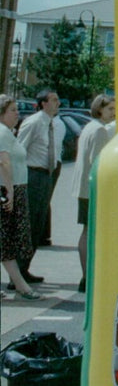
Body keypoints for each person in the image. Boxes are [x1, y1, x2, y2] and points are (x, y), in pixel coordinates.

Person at [16, 88, 65, 277]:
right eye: (54, 100)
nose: (58, 103)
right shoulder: (34, 122)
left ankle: (24, 268)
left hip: (47, 175)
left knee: (38, 224)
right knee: (29, 223)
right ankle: (18, 272)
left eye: (58, 100)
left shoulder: (52, 123)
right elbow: (19, 150)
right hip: (33, 175)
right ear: (43, 103)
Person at [74, 94, 116, 292]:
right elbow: (98, 162)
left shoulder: (89, 127)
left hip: (83, 188)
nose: (114, 113)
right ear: (100, 109)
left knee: (86, 230)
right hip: (92, 189)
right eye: (110, 109)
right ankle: (87, 275)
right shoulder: (99, 130)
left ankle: (86, 275)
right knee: (89, 231)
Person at [0, 95, 40, 300]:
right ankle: (22, 287)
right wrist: (10, 193)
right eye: (13, 110)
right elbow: (4, 163)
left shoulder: (8, 132)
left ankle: (21, 285)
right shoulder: (2, 133)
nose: (17, 113)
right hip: (7, 190)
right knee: (7, 241)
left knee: (6, 241)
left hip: (11, 189)